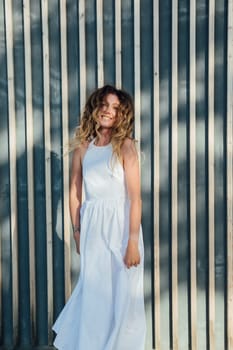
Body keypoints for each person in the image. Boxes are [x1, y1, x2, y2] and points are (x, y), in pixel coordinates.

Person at [52, 85, 146, 350]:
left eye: (115, 108)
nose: (108, 111)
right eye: (104, 105)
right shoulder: (83, 147)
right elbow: (74, 191)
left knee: (124, 298)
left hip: (122, 229)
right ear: (95, 107)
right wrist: (77, 230)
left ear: (121, 115)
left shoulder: (125, 147)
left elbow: (135, 198)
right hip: (93, 229)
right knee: (95, 295)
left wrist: (132, 242)